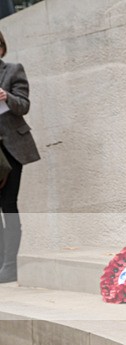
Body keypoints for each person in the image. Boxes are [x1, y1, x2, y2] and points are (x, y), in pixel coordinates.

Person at [0, 30, 40, 283]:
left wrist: (7, 96)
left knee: (8, 204)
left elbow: (24, 105)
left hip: (11, 148)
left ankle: (9, 266)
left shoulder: (13, 70)